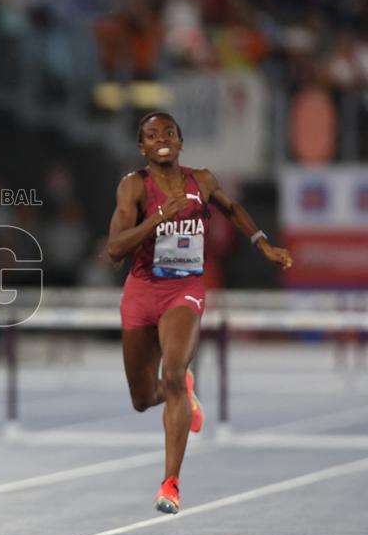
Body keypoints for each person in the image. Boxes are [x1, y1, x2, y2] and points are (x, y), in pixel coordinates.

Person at [105, 111, 292, 513]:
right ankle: (184, 393)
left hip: (183, 291)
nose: (162, 138)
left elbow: (234, 208)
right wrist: (158, 217)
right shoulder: (134, 187)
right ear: (143, 148)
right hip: (141, 291)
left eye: (168, 131)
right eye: (152, 135)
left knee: (171, 373)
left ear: (181, 140)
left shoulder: (201, 181)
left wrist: (264, 245)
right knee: (142, 397)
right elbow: (114, 249)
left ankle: (170, 483)